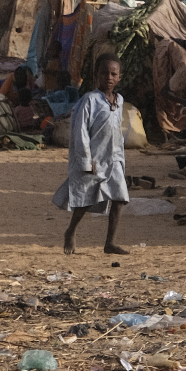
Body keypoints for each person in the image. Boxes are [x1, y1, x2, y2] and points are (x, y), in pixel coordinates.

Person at [54, 54, 131, 255]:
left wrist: (121, 158)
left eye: (114, 74)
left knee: (119, 198)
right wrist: (86, 160)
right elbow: (80, 131)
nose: (109, 77)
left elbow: (117, 130)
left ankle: (110, 243)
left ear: (119, 77)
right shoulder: (89, 100)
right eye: (104, 73)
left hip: (113, 158)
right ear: (96, 75)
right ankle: (71, 231)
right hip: (95, 158)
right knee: (87, 199)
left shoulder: (119, 100)